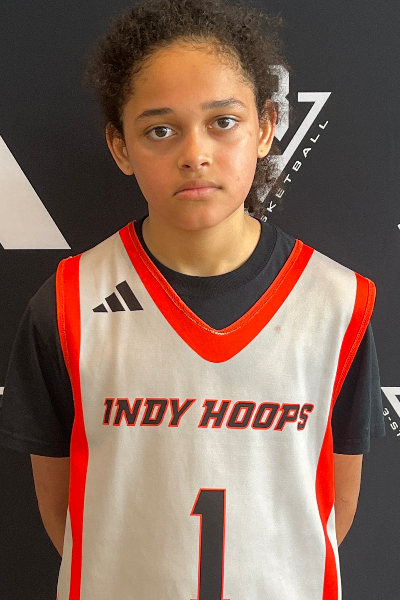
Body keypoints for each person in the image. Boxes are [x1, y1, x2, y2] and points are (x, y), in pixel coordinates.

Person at [0, 0, 386, 598]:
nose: (195, 154)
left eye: (223, 121)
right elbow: (65, 513)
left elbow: (336, 505)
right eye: (160, 130)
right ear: (120, 146)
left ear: (266, 127)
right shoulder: (70, 302)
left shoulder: (336, 303)